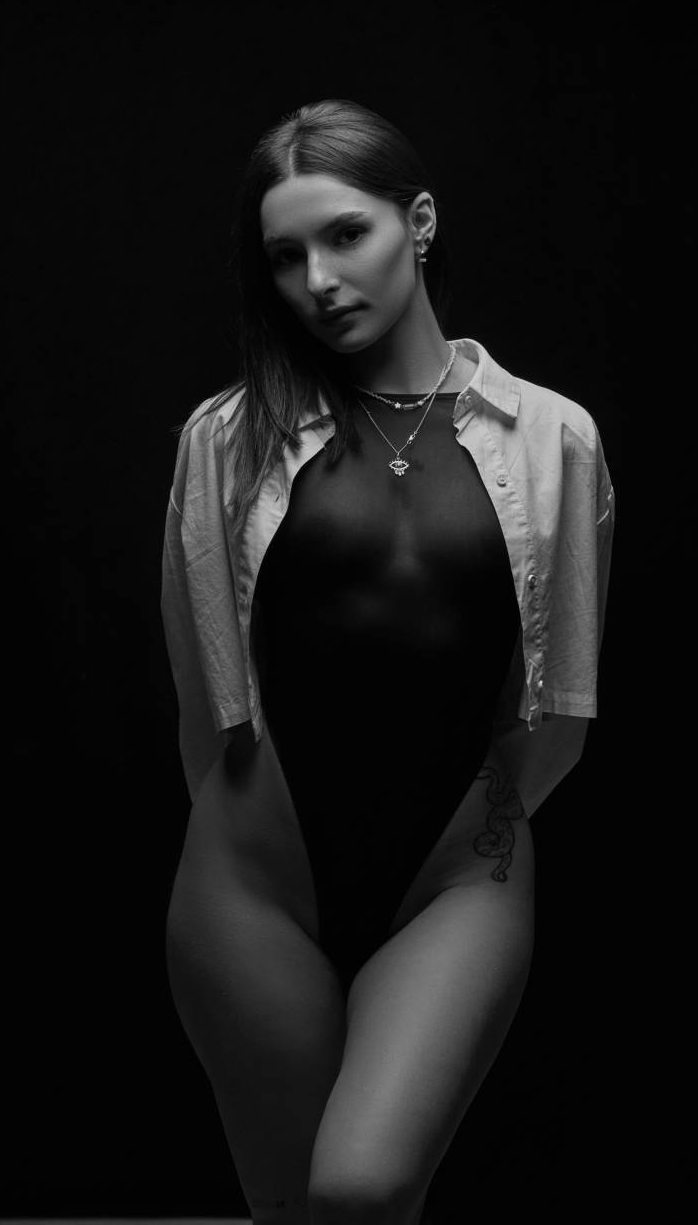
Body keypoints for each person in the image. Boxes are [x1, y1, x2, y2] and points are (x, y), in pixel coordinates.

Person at [161, 98, 615, 1225]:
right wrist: (242, 836)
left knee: (362, 1188)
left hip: (456, 874)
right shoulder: (225, 438)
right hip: (255, 881)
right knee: (295, 1215)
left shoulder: (553, 437)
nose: (318, 280)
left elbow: (561, 703)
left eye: (345, 234)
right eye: (286, 256)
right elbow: (201, 688)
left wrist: (480, 822)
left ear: (417, 222)